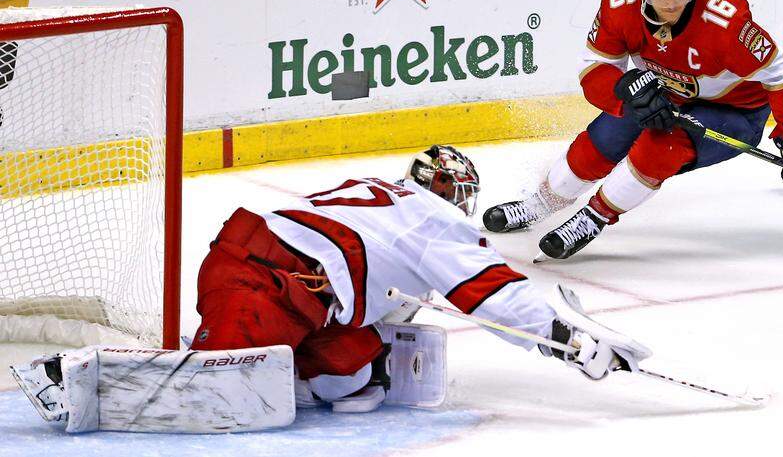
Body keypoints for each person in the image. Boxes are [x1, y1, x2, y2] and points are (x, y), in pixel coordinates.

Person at [189, 145, 647, 411]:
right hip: (265, 281)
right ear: (450, 191)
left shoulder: (379, 191)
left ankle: (265, 361)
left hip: (282, 280)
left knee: (352, 378)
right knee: (214, 395)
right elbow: (491, 292)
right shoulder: (432, 220)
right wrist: (567, 341)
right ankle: (211, 354)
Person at [483, 0, 783, 261]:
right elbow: (594, 70)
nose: (673, 2)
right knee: (604, 138)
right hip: (663, 95)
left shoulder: (726, 23)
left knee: (660, 148)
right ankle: (539, 204)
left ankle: (595, 216)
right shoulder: (619, 7)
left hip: (734, 113)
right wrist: (624, 89)